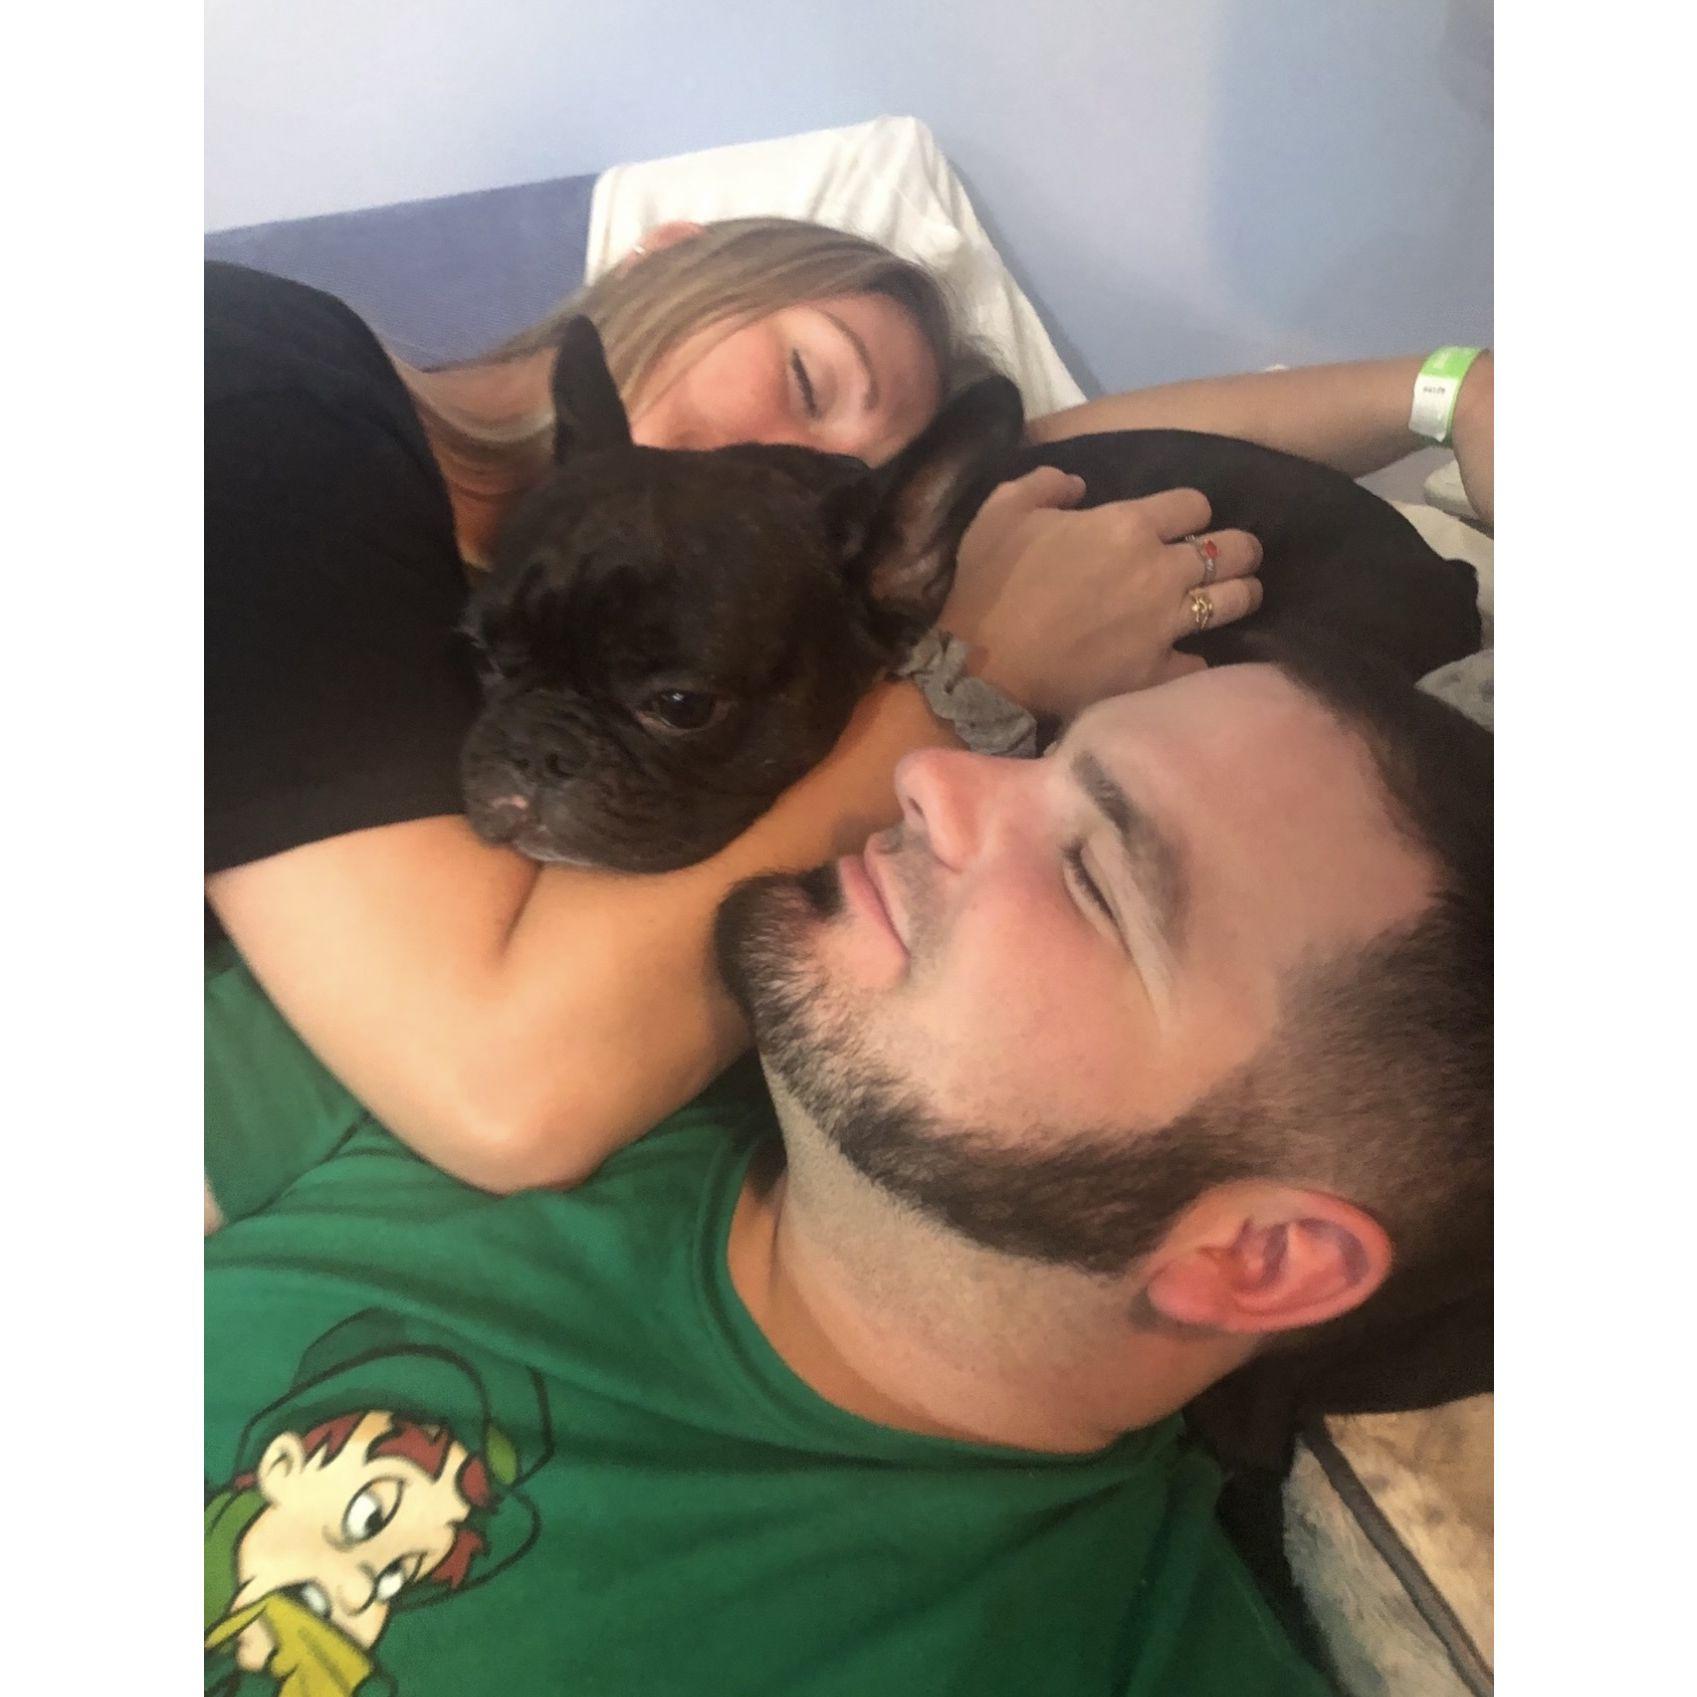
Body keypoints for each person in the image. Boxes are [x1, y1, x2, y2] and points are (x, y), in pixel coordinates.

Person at [205, 640, 1493, 1696]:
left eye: (1093, 874)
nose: (932, 773)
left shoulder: (1104, 1657)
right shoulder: (470, 1045)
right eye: (1044, 755)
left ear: (1256, 1256)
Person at [205, 215, 1491, 1215]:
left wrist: (1450, 389)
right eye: (808, 374)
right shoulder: (274, 402)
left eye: (852, 479)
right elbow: (509, 1091)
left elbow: (1026, 463)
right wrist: (972, 677)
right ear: (670, 250)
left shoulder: (596, 569)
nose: (781, 464)